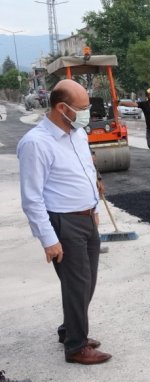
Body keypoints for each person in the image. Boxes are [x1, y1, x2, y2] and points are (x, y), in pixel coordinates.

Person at [17, 79, 112, 365]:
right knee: (77, 284)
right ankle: (76, 346)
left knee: (86, 282)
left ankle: (70, 328)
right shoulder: (36, 144)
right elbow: (32, 198)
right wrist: (49, 240)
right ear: (62, 108)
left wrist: (94, 205)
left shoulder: (77, 133)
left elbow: (87, 170)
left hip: (87, 218)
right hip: (64, 223)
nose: (87, 114)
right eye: (82, 108)